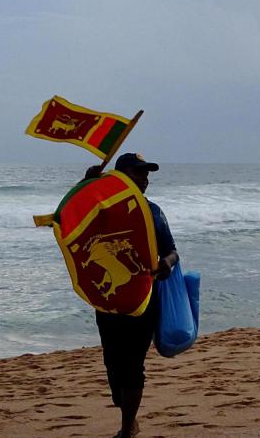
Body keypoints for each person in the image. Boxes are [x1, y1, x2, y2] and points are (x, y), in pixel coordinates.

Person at [85, 153, 179, 438]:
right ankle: (125, 408)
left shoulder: (153, 212)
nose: (144, 179)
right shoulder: (101, 210)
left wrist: (167, 263)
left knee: (132, 364)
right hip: (109, 301)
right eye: (137, 173)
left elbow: (172, 250)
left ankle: (127, 427)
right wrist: (86, 186)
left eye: (146, 174)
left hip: (143, 300)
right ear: (120, 177)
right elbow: (71, 222)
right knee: (113, 362)